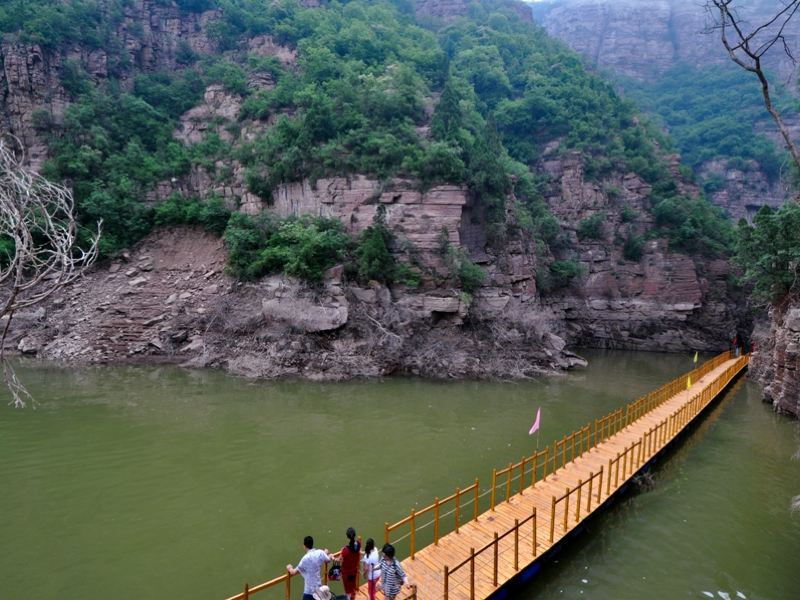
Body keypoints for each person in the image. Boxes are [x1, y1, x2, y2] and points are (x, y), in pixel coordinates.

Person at [287, 535, 334, 600]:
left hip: (309, 591)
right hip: (318, 590)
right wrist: (326, 553)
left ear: (304, 546)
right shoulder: (320, 552)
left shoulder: (305, 559)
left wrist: (289, 567)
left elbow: (293, 572)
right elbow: (328, 560)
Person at [340, 527, 361, 600]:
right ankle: (353, 597)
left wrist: (341, 552)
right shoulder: (358, 544)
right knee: (352, 586)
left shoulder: (345, 550)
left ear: (347, 536)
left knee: (347, 589)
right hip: (354, 570)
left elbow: (340, 560)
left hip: (346, 573)